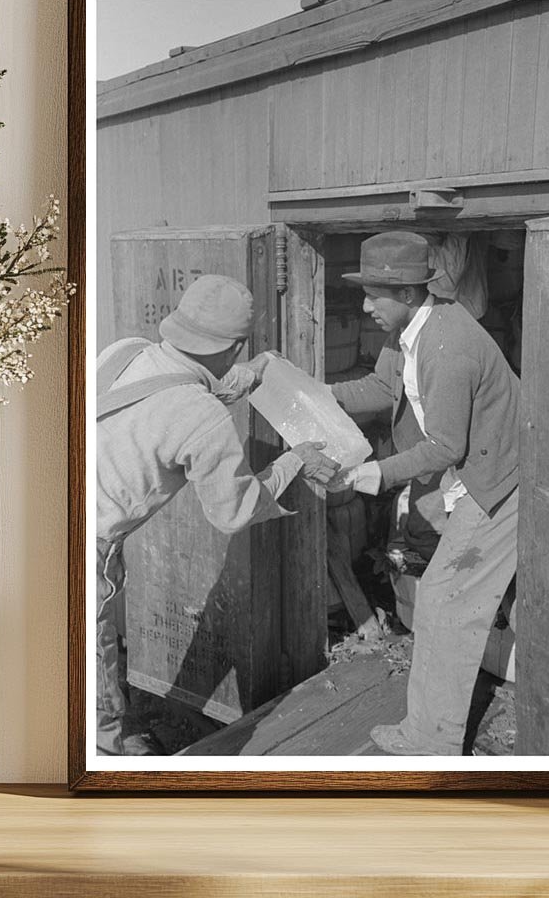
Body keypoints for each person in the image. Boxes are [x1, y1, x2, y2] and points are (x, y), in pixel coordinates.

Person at [96, 274, 338, 755]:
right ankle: (105, 758)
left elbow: (168, 400)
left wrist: (239, 379)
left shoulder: (126, 351)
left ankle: (105, 738)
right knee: (91, 656)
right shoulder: (203, 417)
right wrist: (293, 460)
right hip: (90, 544)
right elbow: (235, 511)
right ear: (234, 346)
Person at [329, 231, 520, 756]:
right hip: (476, 474)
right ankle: (432, 730)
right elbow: (382, 389)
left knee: (443, 599)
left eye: (373, 294)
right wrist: (321, 396)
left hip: (502, 480)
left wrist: (377, 473)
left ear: (409, 294)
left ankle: (431, 740)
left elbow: (443, 444)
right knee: (445, 596)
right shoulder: (407, 335)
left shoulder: (448, 347)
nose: (365, 305)